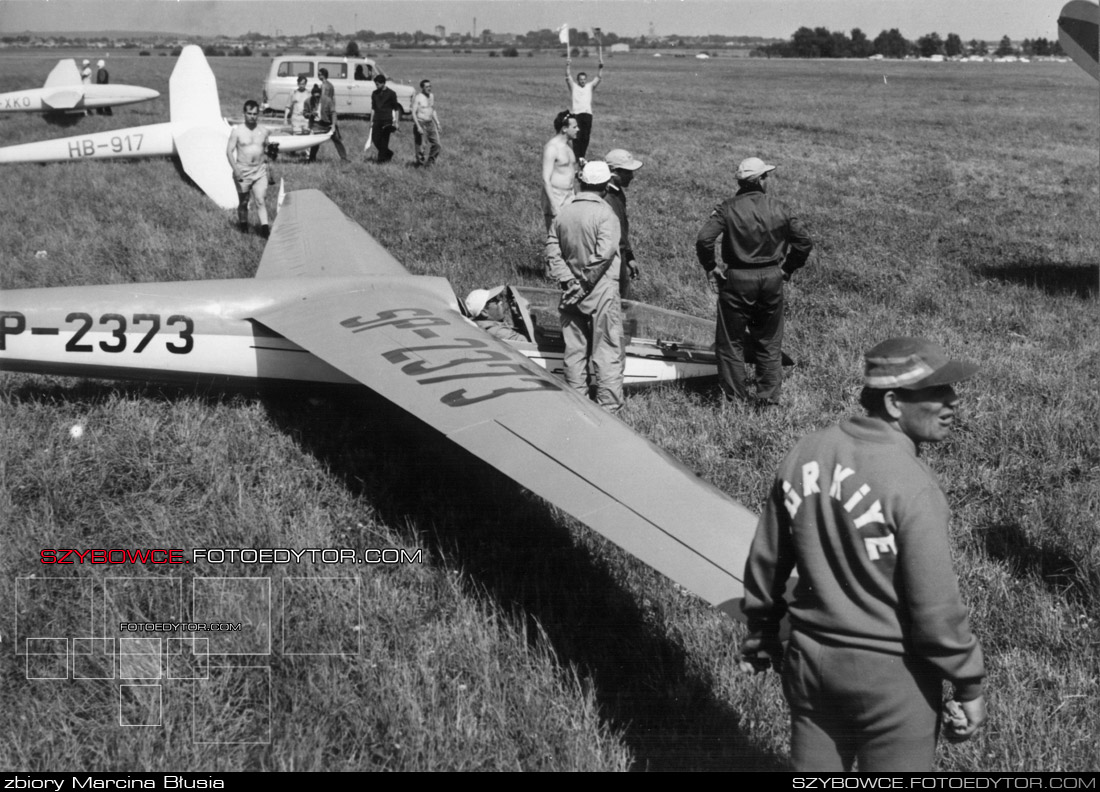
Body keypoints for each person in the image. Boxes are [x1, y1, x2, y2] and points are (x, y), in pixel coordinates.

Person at [741, 337, 987, 772]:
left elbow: (767, 558)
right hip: (892, 679)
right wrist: (968, 685)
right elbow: (935, 610)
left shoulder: (806, 452)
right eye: (936, 392)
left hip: (808, 664)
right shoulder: (912, 485)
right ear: (894, 403)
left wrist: (760, 629)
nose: (953, 401)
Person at [695, 156, 813, 406]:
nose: (767, 180)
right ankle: (768, 398)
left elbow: (704, 239)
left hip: (737, 278)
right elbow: (804, 242)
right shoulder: (780, 207)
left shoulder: (727, 207)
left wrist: (711, 267)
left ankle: (734, 400)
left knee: (731, 342)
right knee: (769, 340)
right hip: (772, 277)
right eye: (765, 176)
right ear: (759, 180)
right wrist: (787, 269)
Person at [546, 160, 623, 412]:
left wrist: (568, 280)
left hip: (570, 292)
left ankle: (576, 404)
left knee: (574, 351)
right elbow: (605, 254)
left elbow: (552, 250)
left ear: (582, 182)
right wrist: (583, 283)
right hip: (600, 291)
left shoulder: (563, 212)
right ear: (605, 186)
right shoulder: (605, 214)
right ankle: (609, 409)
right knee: (607, 351)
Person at [226, 100, 273, 237]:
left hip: (259, 170)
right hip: (243, 170)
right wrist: (236, 169)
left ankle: (265, 231)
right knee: (244, 201)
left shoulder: (263, 131)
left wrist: (269, 167)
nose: (252, 116)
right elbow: (229, 151)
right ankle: (244, 228)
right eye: (249, 113)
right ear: (244, 113)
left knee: (260, 200)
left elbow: (267, 150)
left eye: (255, 114)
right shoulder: (237, 131)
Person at [603, 148, 643, 298]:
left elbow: (622, 228)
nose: (632, 176)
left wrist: (629, 256)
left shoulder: (618, 193)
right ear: (614, 172)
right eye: (628, 172)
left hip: (620, 254)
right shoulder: (605, 197)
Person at [541, 110, 579, 232]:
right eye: (574, 127)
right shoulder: (552, 148)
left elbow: (568, 170)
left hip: (570, 195)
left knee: (570, 236)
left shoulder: (568, 146)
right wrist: (553, 205)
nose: (578, 129)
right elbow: (545, 179)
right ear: (564, 129)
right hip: (556, 196)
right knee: (555, 238)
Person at [565, 59, 603, 161]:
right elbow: (568, 76)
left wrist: (600, 67)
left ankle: (582, 156)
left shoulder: (589, 87)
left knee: (586, 137)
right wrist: (568, 65)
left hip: (587, 114)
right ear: (578, 80)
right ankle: (577, 157)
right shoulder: (574, 87)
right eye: (581, 79)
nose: (582, 81)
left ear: (586, 80)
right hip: (576, 114)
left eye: (584, 79)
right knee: (577, 136)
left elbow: (598, 77)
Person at [313, 69, 349, 161]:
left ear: (322, 75)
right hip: (330, 111)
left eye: (319, 74)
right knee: (335, 138)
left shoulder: (324, 86)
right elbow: (332, 99)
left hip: (325, 113)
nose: (318, 76)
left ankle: (311, 158)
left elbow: (323, 99)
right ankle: (343, 157)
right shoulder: (331, 85)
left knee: (317, 137)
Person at [370, 74, 402, 163]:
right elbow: (373, 108)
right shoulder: (374, 93)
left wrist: (397, 122)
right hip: (377, 119)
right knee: (375, 139)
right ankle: (388, 153)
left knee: (384, 140)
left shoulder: (391, 94)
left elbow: (396, 109)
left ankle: (381, 160)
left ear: (383, 83)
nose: (376, 86)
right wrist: (371, 121)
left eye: (378, 84)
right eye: (376, 84)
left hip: (387, 120)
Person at [411, 79, 442, 167]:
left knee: (437, 145)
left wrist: (438, 123)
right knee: (421, 147)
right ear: (422, 88)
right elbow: (413, 112)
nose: (429, 88)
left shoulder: (431, 96)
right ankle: (419, 165)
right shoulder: (418, 97)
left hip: (430, 123)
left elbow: (433, 110)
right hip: (421, 123)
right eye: (427, 87)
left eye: (430, 86)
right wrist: (418, 127)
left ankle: (430, 162)